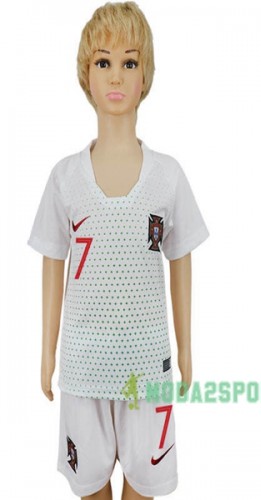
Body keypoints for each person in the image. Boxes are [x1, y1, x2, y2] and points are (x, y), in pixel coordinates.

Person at [27, 2, 209, 499]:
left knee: (144, 485)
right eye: (103, 61)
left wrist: (187, 349)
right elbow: (52, 262)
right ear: (85, 74)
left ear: (145, 74)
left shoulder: (167, 175)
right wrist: (46, 353)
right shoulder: (65, 177)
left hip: (147, 367)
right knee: (89, 485)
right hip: (83, 365)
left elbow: (181, 260)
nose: (115, 75)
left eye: (129, 62)